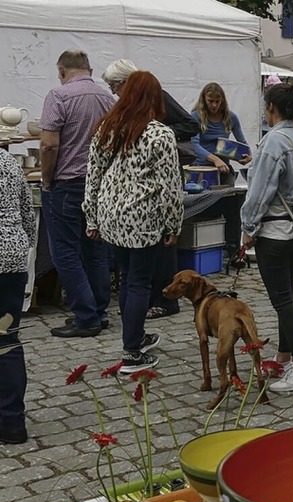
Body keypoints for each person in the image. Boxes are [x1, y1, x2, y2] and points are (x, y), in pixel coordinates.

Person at [83, 71, 184, 374]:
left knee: (128, 279)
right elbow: (169, 186)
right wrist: (173, 225)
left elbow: (93, 175)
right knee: (140, 281)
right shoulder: (159, 134)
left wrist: (92, 216)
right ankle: (131, 353)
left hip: (111, 214)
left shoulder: (107, 128)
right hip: (142, 216)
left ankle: (136, 335)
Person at [101, 58, 200, 321]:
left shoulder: (159, 99)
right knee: (137, 268)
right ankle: (140, 307)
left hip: (162, 181)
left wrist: (158, 135)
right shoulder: (122, 112)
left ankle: (166, 300)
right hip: (138, 192)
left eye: (114, 85)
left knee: (163, 248)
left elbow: (191, 125)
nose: (113, 92)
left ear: (126, 82)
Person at [240, 82, 293, 393]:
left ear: (271, 108)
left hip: (273, 230)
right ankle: (285, 357)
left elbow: (259, 193)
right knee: (288, 296)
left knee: (283, 301)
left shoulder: (274, 142)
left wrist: (247, 228)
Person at [40, 50, 114, 338]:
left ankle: (85, 316)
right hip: (99, 184)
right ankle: (99, 310)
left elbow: (48, 145)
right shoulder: (108, 99)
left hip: (67, 183)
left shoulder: (58, 96)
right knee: (95, 250)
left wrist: (47, 181)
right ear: (90, 69)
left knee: (65, 253)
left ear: (61, 71)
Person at [0, 149, 36, 444]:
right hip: (11, 257)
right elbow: (27, 211)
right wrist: (24, 249)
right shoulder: (7, 162)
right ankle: (12, 423)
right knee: (6, 338)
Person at [190, 82, 252, 182]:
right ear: (204, 100)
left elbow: (242, 143)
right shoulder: (196, 117)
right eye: (210, 101)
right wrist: (215, 160)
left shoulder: (231, 118)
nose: (214, 105)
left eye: (217, 102)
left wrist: (247, 155)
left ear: (222, 101)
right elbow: (194, 145)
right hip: (201, 169)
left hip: (223, 169)